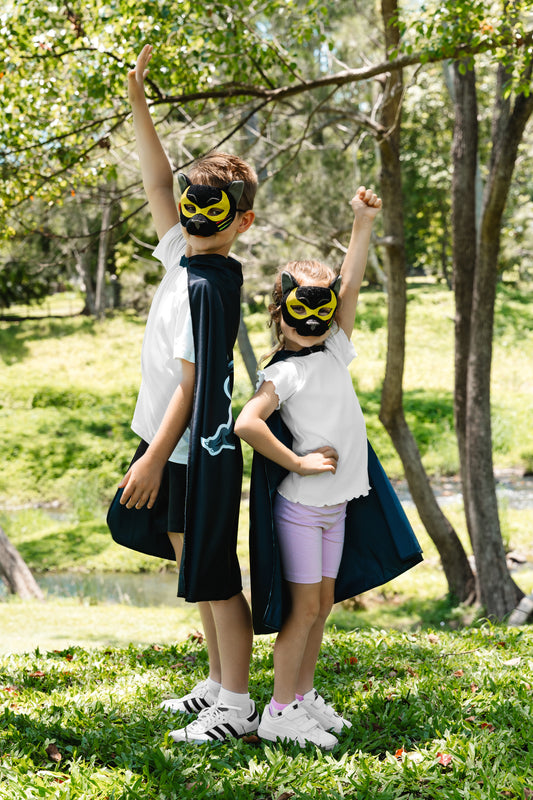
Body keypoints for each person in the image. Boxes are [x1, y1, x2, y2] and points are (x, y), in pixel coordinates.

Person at [107, 44, 258, 744]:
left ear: (241, 221)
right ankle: (214, 681)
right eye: (192, 203)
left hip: (194, 447)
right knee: (189, 560)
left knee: (212, 569)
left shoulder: (209, 284)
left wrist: (151, 458)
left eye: (213, 206)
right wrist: (139, 104)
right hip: (169, 443)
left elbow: (195, 381)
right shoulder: (183, 252)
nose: (193, 211)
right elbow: (158, 185)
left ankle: (236, 702)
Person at [235, 187, 421, 749]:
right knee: (304, 611)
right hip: (301, 508)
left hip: (335, 507)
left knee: (322, 608)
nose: (315, 320)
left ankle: (302, 697)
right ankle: (278, 709)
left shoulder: (334, 349)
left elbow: (353, 285)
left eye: (324, 308)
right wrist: (297, 460)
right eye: (302, 310)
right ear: (280, 312)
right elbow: (247, 423)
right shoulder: (286, 371)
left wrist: (362, 222)